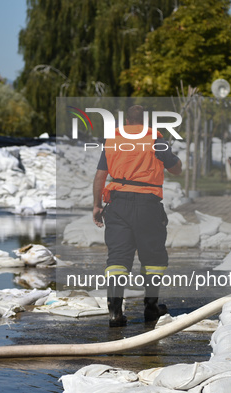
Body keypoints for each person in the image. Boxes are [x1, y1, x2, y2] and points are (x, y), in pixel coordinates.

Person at [92, 105, 182, 327]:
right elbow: (177, 170)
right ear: (144, 122)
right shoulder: (154, 139)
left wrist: (96, 206)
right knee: (152, 259)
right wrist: (172, 156)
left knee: (117, 259)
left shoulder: (113, 140)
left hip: (117, 204)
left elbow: (100, 177)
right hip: (148, 206)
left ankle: (115, 312)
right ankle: (151, 309)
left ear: (127, 121)